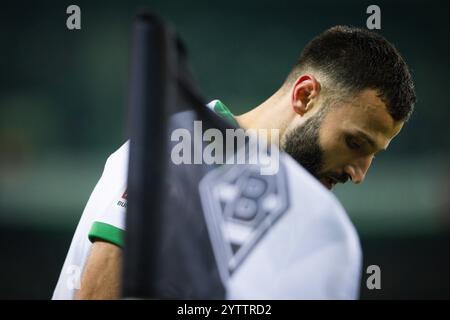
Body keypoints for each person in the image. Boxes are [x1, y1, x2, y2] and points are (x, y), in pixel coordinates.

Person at [52, 25, 416, 299]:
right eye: (354, 143)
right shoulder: (184, 148)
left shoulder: (278, 202)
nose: (358, 173)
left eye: (372, 156)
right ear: (305, 96)